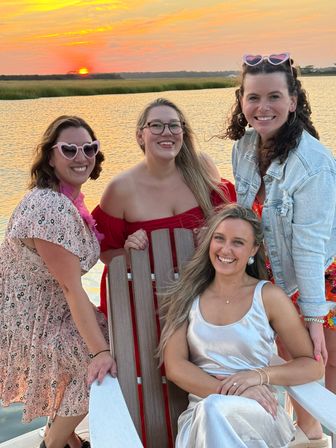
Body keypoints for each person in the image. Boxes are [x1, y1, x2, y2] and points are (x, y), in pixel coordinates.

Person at [222, 53, 336, 444]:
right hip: (276, 277)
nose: (262, 107)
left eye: (274, 96)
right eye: (253, 98)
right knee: (293, 360)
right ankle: (309, 435)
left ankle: (320, 436)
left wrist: (314, 317)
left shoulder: (313, 164)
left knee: (325, 361)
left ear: (293, 100)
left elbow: (308, 246)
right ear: (241, 100)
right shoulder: (244, 147)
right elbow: (245, 211)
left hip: (322, 277)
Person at [158, 204, 324, 448]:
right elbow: (175, 366)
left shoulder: (268, 297)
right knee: (211, 409)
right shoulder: (187, 296)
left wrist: (259, 376)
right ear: (209, 243)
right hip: (202, 413)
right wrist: (231, 390)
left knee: (213, 409)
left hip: (258, 414)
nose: (226, 249)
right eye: (219, 239)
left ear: (253, 250)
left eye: (238, 242)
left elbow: (312, 367)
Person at [0, 116, 116, 448]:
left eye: (89, 148)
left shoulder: (69, 201)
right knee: (101, 361)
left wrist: (127, 245)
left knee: (112, 343)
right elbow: (70, 286)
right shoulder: (48, 208)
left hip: (55, 309)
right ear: (50, 157)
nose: (82, 157)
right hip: (34, 318)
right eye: (69, 149)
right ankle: (54, 442)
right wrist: (100, 351)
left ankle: (68, 440)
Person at [92, 97, 236, 317]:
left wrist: (213, 237)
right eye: (156, 125)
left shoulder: (202, 168)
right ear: (141, 135)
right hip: (143, 305)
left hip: (202, 299)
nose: (166, 132)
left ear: (182, 132)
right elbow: (105, 254)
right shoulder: (120, 189)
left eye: (173, 125)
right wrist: (131, 253)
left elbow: (234, 226)